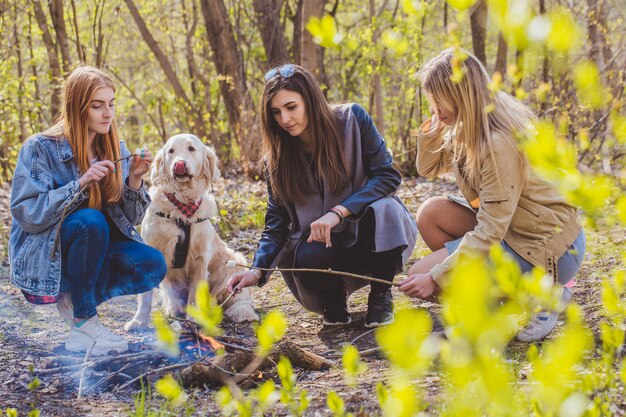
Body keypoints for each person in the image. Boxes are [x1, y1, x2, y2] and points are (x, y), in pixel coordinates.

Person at [398, 48, 586, 342]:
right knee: (431, 214)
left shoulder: (498, 141)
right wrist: (433, 125)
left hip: (549, 247)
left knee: (430, 273)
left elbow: (491, 229)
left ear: (458, 94)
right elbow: (428, 167)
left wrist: (436, 276)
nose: (433, 107)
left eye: (436, 99)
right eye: (430, 101)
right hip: (516, 231)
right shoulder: (466, 129)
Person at [227, 64, 417, 327]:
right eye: (276, 112)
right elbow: (277, 223)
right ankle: (333, 297)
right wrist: (256, 270)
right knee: (303, 254)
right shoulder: (277, 160)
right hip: (326, 250)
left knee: (386, 209)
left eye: (291, 107)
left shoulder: (353, 119)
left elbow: (387, 176)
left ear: (310, 99)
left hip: (369, 239)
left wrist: (338, 213)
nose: (285, 119)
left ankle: (381, 294)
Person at [9, 66, 167, 355]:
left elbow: (126, 224)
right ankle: (83, 321)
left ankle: (79, 309)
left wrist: (134, 180)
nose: (107, 113)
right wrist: (80, 182)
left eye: (111, 104)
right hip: (49, 257)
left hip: (93, 252)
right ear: (77, 107)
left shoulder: (115, 147)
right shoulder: (40, 148)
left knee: (152, 264)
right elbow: (27, 212)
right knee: (89, 221)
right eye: (97, 106)